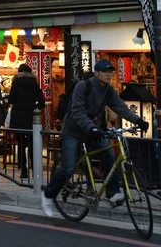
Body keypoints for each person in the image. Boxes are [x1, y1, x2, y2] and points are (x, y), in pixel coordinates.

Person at [41, 59, 149, 217]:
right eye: (105, 72)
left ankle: (112, 193)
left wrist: (138, 120)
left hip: (94, 129)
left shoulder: (109, 90)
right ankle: (48, 194)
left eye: (110, 72)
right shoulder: (83, 86)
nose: (108, 74)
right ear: (96, 73)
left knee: (109, 154)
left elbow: (120, 106)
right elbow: (77, 111)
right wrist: (91, 127)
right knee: (68, 167)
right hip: (74, 130)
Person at [8, 64, 45, 179]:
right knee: (32, 144)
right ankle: (34, 170)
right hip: (31, 117)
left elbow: (11, 99)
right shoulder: (34, 83)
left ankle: (23, 171)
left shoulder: (16, 83)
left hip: (18, 117)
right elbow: (42, 102)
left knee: (21, 144)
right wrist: (35, 107)